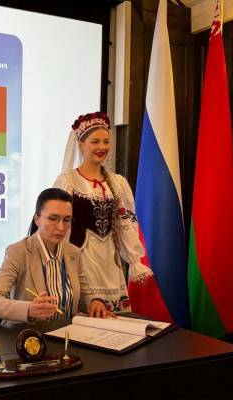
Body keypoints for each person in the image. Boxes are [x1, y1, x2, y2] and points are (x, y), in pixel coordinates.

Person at [54, 111, 152, 313]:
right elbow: (58, 224)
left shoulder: (118, 183)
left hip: (109, 260)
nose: (102, 147)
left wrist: (134, 259)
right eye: (95, 141)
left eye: (106, 142)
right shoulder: (68, 181)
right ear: (81, 144)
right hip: (81, 258)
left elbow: (126, 223)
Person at [0, 188, 110, 325]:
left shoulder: (74, 252)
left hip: (67, 333)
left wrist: (93, 302)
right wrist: (29, 309)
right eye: (53, 219)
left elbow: (84, 295)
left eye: (67, 220)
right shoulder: (18, 252)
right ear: (36, 219)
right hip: (27, 333)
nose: (61, 227)